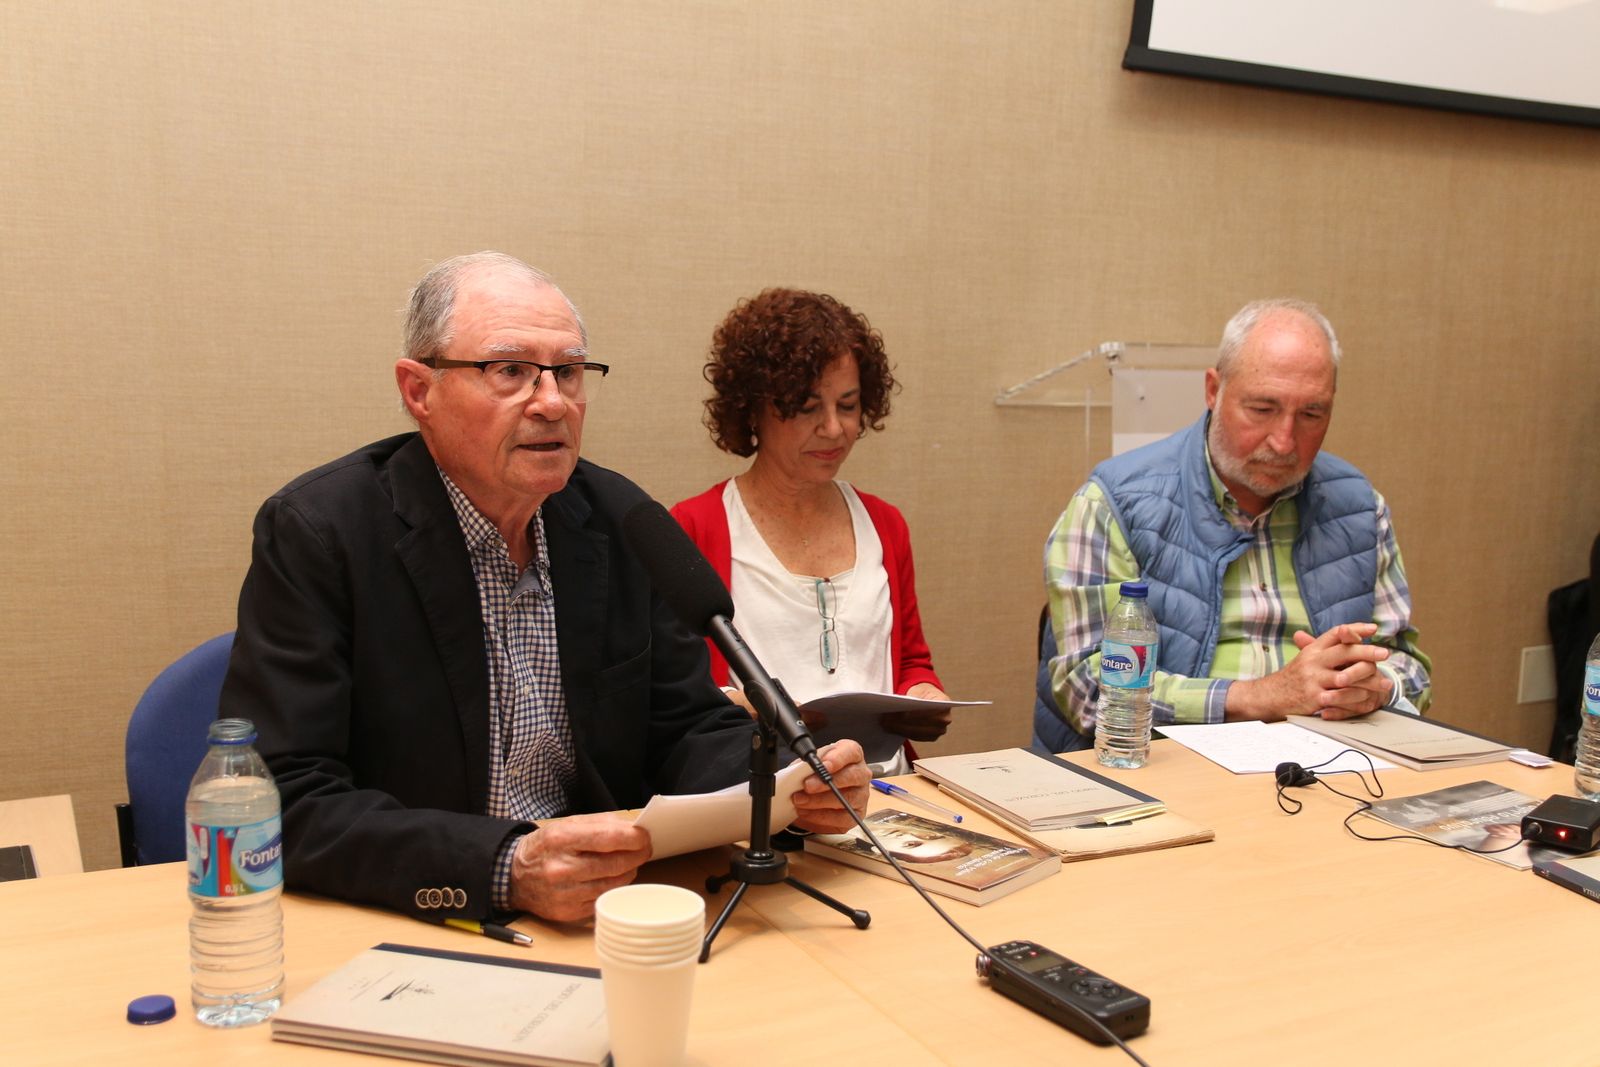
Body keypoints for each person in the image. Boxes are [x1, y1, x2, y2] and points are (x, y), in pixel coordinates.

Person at [220, 253, 869, 924]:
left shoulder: (620, 519)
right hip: (417, 913)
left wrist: (789, 782)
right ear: (419, 391)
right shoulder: (323, 532)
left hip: (606, 905)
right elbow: (277, 799)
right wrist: (503, 867)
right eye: (510, 371)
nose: (553, 402)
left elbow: (683, 729)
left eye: (569, 371)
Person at [1032, 298, 1432, 754]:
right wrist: (1261, 697)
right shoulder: (1113, 504)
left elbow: (1410, 667)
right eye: (1262, 409)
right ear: (1213, 390)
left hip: (1324, 765)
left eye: (1311, 415)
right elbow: (1088, 688)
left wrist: (1377, 688)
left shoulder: (1358, 508)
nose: (1284, 441)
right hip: (1161, 765)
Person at [670, 288, 952, 775]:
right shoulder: (694, 528)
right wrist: (743, 707)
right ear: (753, 409)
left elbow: (911, 664)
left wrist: (924, 695)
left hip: (886, 789)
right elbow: (675, 696)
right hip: (764, 794)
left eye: (848, 405)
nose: (834, 428)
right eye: (806, 407)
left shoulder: (885, 523)